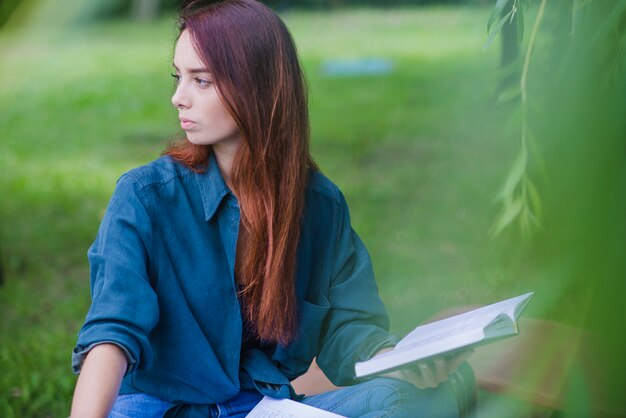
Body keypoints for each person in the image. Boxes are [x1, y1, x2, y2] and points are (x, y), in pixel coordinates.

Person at [70, 1, 472, 417]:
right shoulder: (144, 197)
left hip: (260, 407)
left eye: (201, 81)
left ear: (255, 86)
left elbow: (347, 329)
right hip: (159, 408)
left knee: (412, 401)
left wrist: (400, 362)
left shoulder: (318, 206)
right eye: (179, 77)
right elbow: (112, 332)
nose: (178, 97)